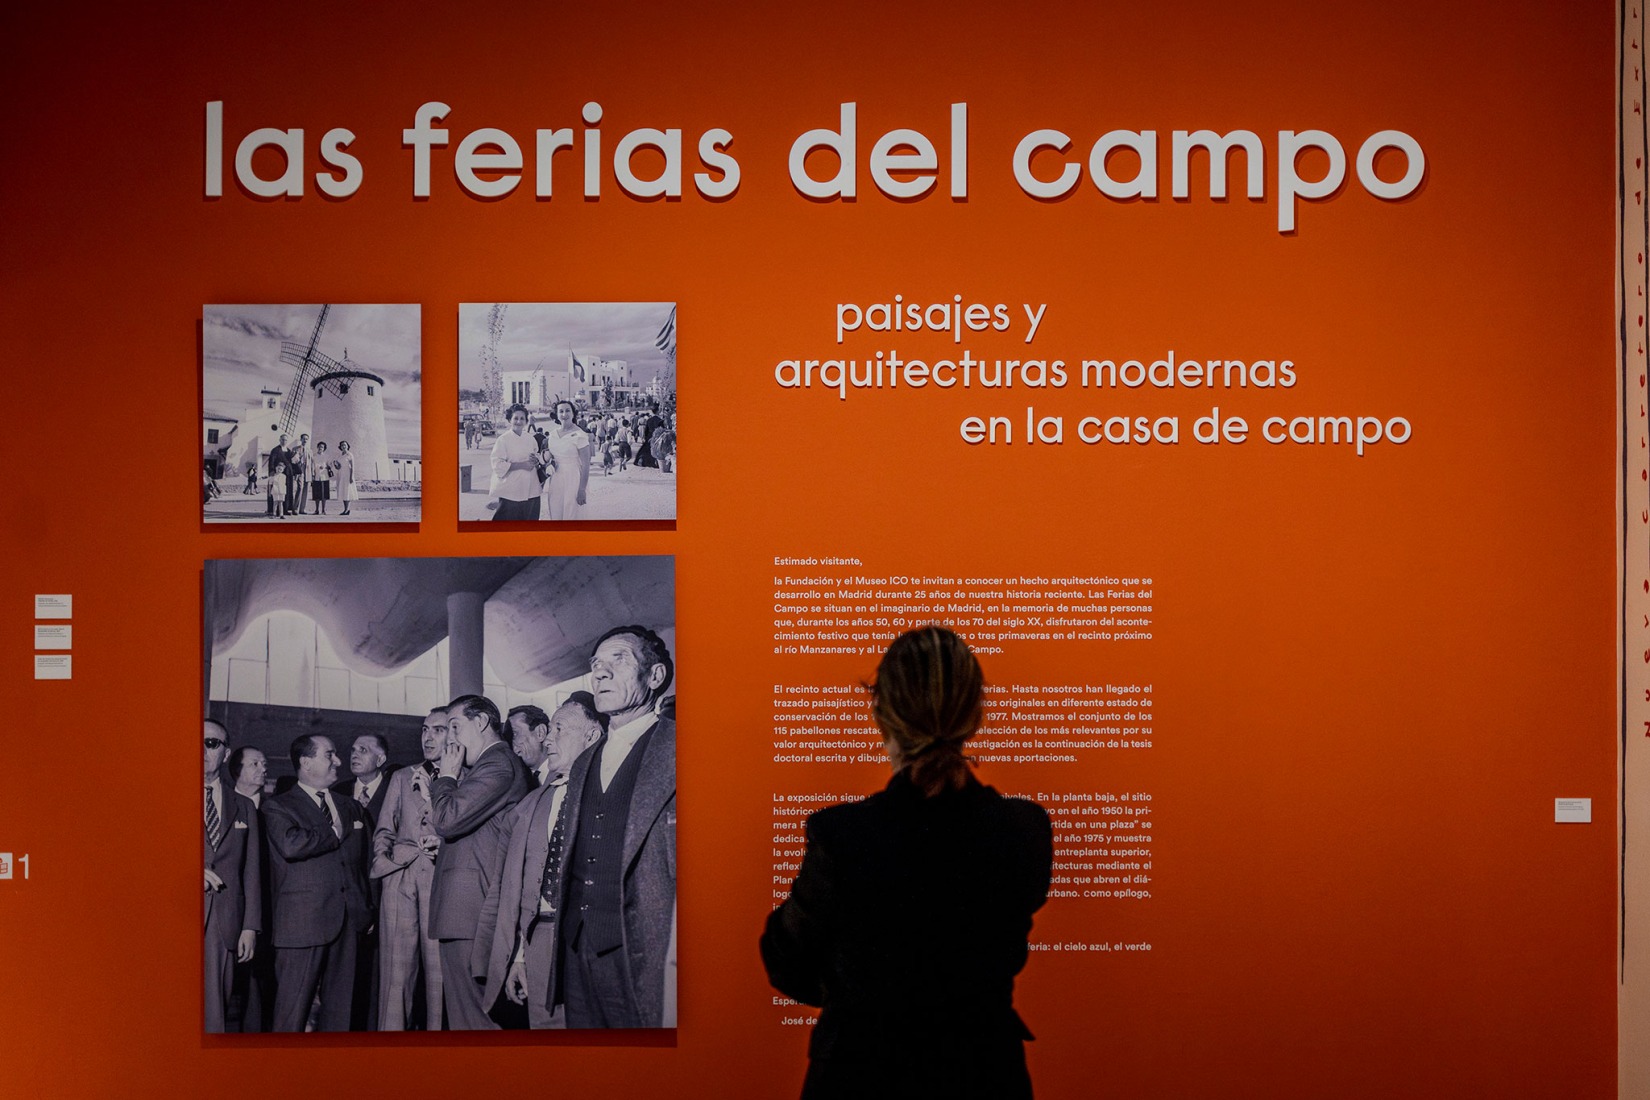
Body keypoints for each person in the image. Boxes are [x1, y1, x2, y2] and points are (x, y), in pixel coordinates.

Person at [760, 627, 1053, 1099]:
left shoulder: (844, 835)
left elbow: (786, 959)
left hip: (861, 1075)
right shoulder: (1023, 829)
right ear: (974, 714)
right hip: (983, 1073)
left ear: (882, 714)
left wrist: (855, 993)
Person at [555, 626, 677, 1028]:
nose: (600, 674)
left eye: (618, 660)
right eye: (595, 665)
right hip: (577, 947)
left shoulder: (684, 750)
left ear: (655, 677)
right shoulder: (583, 763)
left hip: (642, 951)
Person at [481, 694, 605, 1027]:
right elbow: (526, 890)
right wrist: (520, 955)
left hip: (587, 948)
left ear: (591, 736)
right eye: (548, 730)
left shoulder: (607, 795)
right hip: (538, 943)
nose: (548, 739)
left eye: (559, 729)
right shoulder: (536, 803)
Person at [428, 694, 528, 1029]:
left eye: (455, 726)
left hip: (469, 913)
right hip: (463, 912)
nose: (450, 738)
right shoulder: (486, 766)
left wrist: (446, 777)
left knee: (473, 1019)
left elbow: (447, 819)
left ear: (482, 722)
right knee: (467, 1017)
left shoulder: (497, 763)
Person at [265, 734, 373, 1032]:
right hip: (302, 925)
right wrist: (334, 831)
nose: (338, 761)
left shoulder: (351, 807)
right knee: (292, 1015)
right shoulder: (278, 807)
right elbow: (291, 845)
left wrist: (365, 908)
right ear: (306, 762)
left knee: (342, 1015)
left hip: (349, 923)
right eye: (330, 754)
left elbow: (363, 861)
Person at [372, 710, 448, 1031]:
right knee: (395, 974)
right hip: (399, 879)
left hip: (440, 878)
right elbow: (384, 829)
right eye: (424, 729)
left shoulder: (467, 778)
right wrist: (386, 865)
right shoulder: (402, 776)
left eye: (438, 730)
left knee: (438, 974)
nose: (428, 737)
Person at [204, 720, 261, 1033]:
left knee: (216, 1014)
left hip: (225, 922)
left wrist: (250, 925)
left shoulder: (243, 806)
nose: (202, 749)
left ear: (225, 754)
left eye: (211, 744)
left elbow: (251, 869)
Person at [334, 733, 390, 1030]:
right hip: (344, 899)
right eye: (353, 748)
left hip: (384, 897)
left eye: (364, 750)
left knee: (378, 974)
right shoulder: (338, 792)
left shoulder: (397, 790)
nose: (354, 754)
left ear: (380, 759)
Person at [489, 404, 543, 521]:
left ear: (526, 421)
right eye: (515, 418)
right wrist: (522, 465)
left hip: (531, 490)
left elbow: (536, 455)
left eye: (522, 418)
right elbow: (497, 465)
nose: (519, 421)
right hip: (511, 491)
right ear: (509, 420)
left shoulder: (530, 438)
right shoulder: (503, 440)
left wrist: (536, 460)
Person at [541, 399, 591, 520]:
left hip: (573, 478)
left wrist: (582, 489)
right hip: (556, 479)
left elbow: (586, 465)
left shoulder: (580, 435)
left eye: (568, 411)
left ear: (573, 413)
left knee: (571, 513)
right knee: (555, 511)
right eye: (561, 411)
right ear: (557, 415)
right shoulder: (552, 435)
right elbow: (549, 456)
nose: (564, 414)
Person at [310, 440, 331, 515]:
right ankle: (316, 510)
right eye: (319, 446)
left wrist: (325, 466)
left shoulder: (326, 456)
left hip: (325, 476)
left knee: (324, 495)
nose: (320, 448)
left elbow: (329, 466)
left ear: (324, 448)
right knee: (317, 495)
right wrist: (312, 476)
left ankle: (323, 510)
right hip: (316, 476)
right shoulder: (314, 456)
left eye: (322, 447)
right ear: (317, 447)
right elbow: (312, 466)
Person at [336, 440, 356, 516]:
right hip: (341, 474)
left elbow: (352, 467)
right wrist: (336, 465)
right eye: (342, 445)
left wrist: (351, 477)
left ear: (347, 446)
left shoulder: (350, 455)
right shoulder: (340, 455)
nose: (343, 446)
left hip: (348, 474)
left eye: (345, 445)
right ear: (340, 447)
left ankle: (347, 509)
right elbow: (338, 466)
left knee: (347, 492)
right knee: (343, 492)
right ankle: (345, 509)